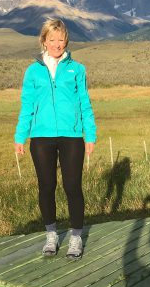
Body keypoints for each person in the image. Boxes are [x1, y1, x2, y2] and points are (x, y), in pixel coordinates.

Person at [14, 18, 96, 259]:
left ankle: (75, 238)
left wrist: (89, 135)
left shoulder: (77, 69)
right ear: (44, 41)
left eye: (61, 39)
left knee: (73, 187)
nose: (57, 44)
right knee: (46, 187)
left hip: (71, 136)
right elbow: (27, 105)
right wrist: (21, 135)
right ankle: (51, 236)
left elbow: (85, 103)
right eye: (52, 39)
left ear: (66, 41)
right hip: (41, 137)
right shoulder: (33, 71)